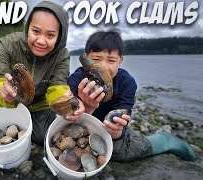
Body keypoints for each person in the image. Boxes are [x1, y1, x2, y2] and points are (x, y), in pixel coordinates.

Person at [67, 29, 197, 161]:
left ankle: (164, 140)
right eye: (96, 59)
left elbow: (122, 119)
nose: (103, 67)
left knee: (119, 153)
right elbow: (68, 120)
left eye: (111, 60)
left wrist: (117, 131)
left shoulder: (127, 83)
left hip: (108, 130)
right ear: (87, 59)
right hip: (81, 127)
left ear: (120, 61)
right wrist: (87, 108)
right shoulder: (76, 80)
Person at [0, 1, 84, 146]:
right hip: (9, 102)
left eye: (50, 35)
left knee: (46, 138)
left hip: (39, 106)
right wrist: (2, 91)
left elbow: (58, 85)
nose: (41, 41)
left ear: (59, 37)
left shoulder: (61, 55)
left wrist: (67, 104)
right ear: (27, 28)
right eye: (35, 31)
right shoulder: (7, 44)